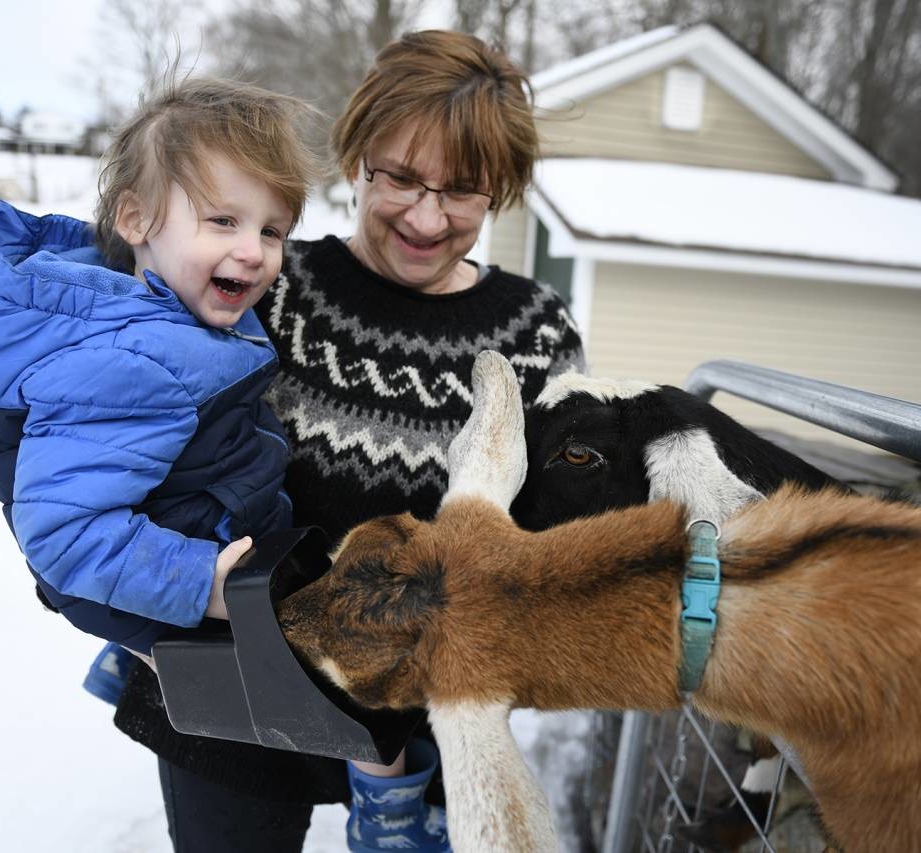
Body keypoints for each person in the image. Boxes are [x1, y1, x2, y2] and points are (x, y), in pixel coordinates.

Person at [110, 29, 587, 852]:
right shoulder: (267, 283)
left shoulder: (535, 334)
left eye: (463, 191)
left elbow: (556, 533)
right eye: (398, 177)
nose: (426, 216)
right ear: (357, 155)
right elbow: (136, 429)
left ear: (499, 192)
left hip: (422, 723)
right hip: (234, 701)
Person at [0, 78, 320, 850]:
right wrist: (202, 588)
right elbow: (67, 533)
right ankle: (387, 795)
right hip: (205, 587)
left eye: (273, 230)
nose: (255, 251)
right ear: (134, 218)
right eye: (223, 219)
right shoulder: (131, 355)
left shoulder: (157, 313)